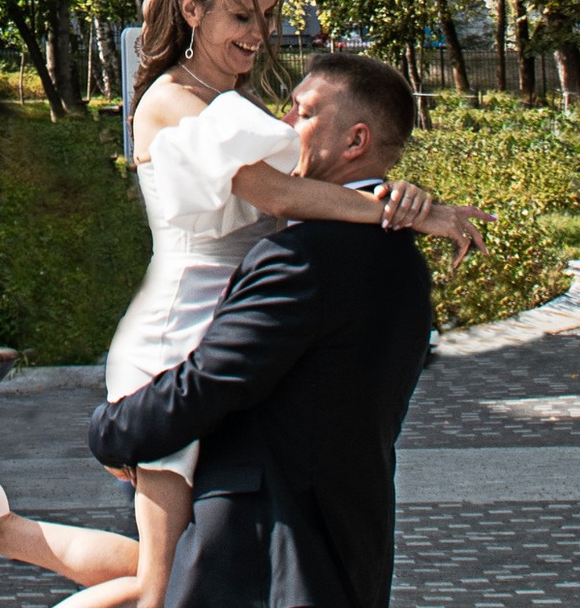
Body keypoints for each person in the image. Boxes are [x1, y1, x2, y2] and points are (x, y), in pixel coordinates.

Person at [0, 0, 482, 608]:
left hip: (216, 321)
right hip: (180, 334)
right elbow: (280, 196)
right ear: (192, 8)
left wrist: (393, 197)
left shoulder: (232, 107)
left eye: (268, 15)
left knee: (177, 570)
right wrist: (400, 210)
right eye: (242, 16)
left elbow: (305, 197)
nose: (259, 33)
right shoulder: (173, 99)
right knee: (162, 591)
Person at [84, 51, 439, 608]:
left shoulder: (303, 256)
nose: (284, 124)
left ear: (356, 141)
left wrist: (112, 430)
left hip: (265, 556)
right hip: (353, 545)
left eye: (304, 112)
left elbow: (211, 381)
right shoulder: (406, 260)